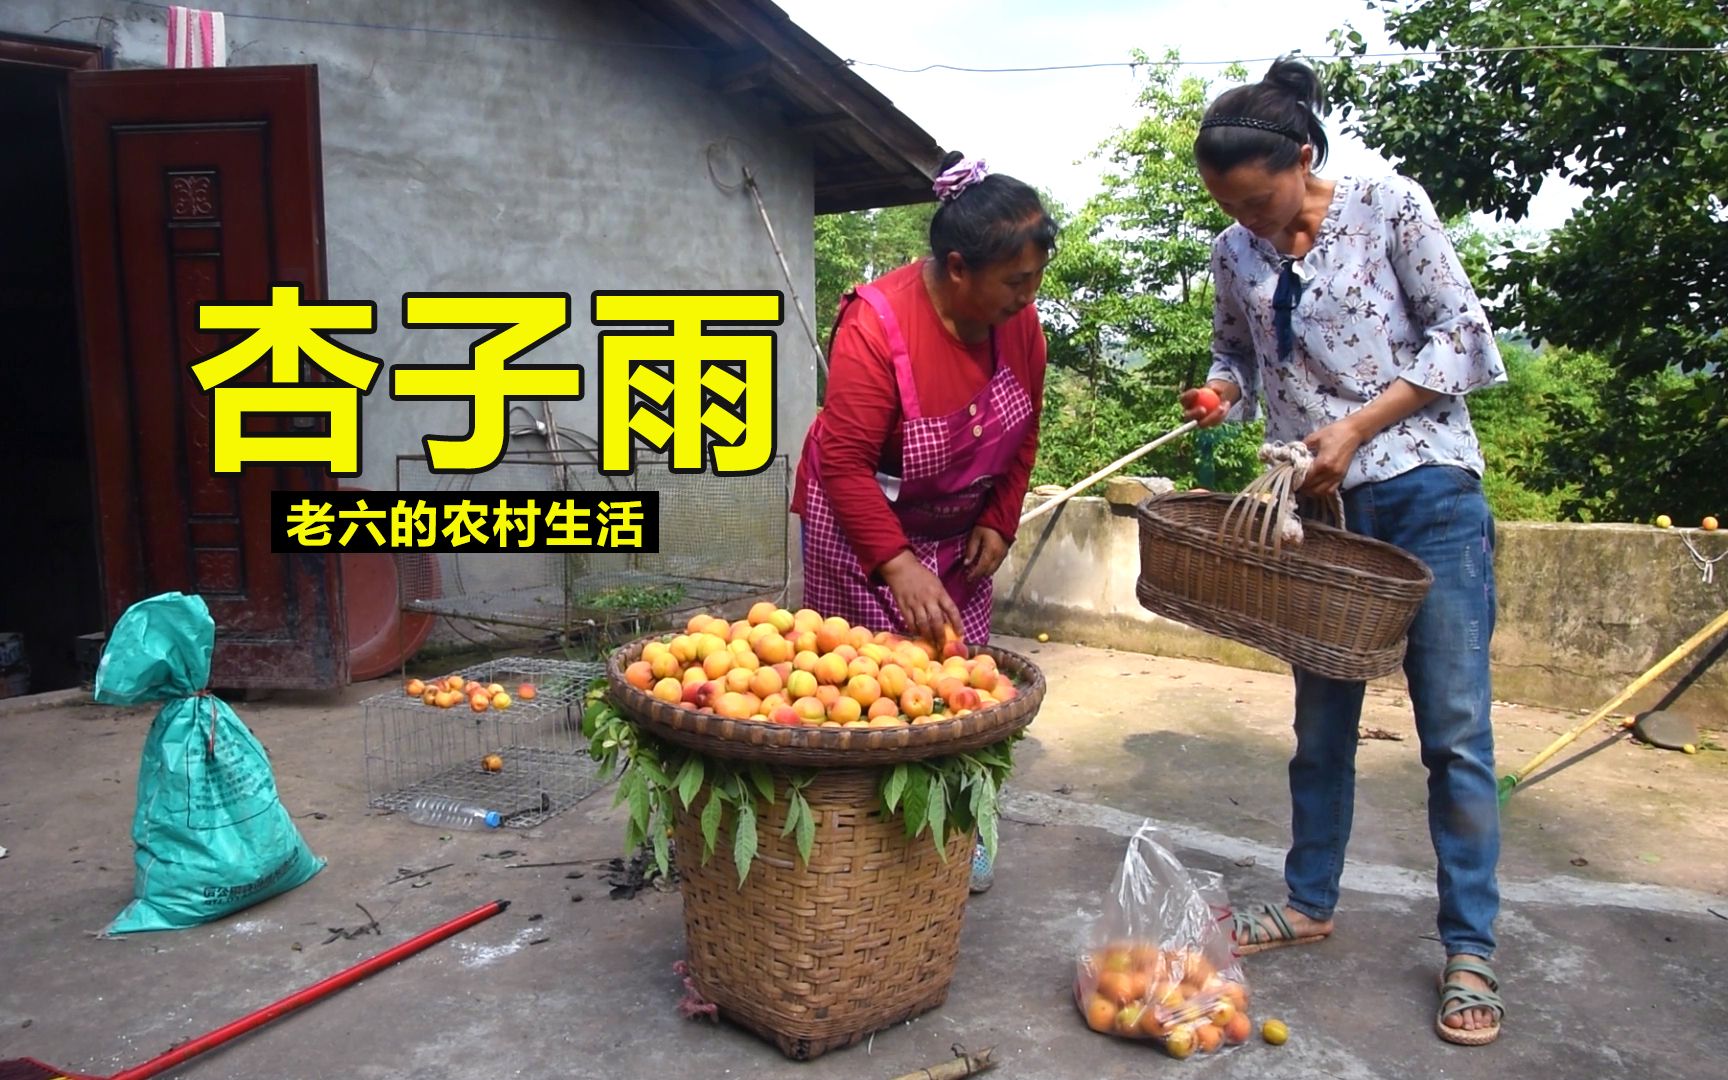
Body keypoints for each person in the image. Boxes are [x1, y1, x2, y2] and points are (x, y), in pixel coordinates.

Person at [1182, 58, 1508, 1046]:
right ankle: (1309, 897)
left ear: (1304, 158)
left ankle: (1471, 950)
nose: (1250, 223)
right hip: (1316, 519)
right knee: (1320, 722)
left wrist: (1357, 431)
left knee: (1452, 731)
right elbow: (1235, 352)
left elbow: (1463, 339)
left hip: (1427, 496)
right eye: (1230, 209)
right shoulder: (1235, 254)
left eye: (1259, 199)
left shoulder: (1389, 207)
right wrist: (1221, 393)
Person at [791, 151, 1057, 894]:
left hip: (959, 534)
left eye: (1035, 279)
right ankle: (856, 845)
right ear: (958, 266)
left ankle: (954, 834)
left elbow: (1026, 428)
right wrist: (897, 564)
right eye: (1015, 282)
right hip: (861, 535)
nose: (1027, 297)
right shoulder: (876, 326)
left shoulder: (1022, 325)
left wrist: (1001, 520)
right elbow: (844, 465)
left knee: (955, 694)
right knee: (857, 693)